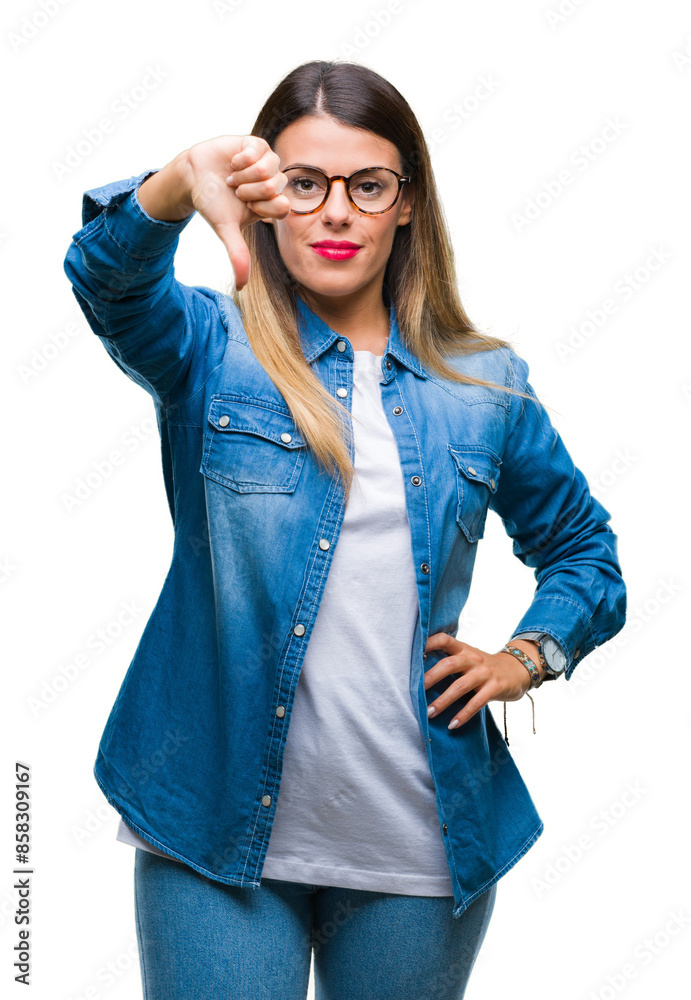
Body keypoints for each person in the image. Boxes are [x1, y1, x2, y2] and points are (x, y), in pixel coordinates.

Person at [63, 60, 626, 1000]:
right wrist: (173, 182)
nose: (335, 212)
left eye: (367, 186)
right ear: (264, 196)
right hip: (210, 826)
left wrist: (526, 656)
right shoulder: (208, 347)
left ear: (405, 204)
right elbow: (108, 283)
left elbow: (585, 553)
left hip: (417, 844)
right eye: (302, 183)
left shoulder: (484, 388)